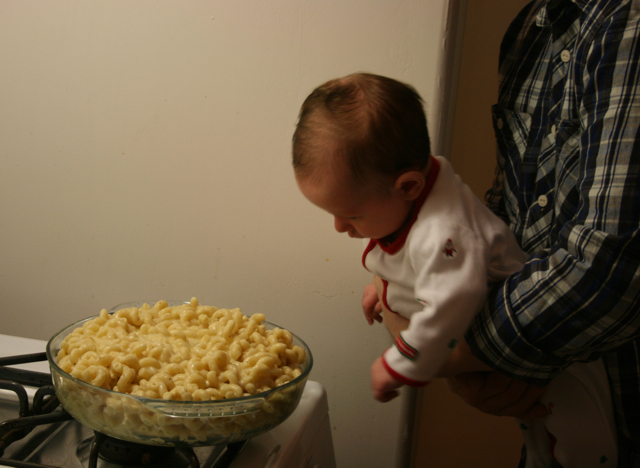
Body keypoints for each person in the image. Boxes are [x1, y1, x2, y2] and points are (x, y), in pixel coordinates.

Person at [292, 72, 618, 467]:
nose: (339, 227)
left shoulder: (443, 233)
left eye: (351, 215)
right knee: (540, 443)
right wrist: (388, 288)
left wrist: (400, 363)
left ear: (409, 187)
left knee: (582, 450)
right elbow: (414, 267)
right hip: (517, 362)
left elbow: (450, 302)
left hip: (567, 368)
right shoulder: (413, 196)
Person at [439, 0, 640, 466]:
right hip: (553, 423)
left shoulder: (628, 21)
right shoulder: (531, 28)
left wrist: (463, 351)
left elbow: (613, 267)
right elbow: (506, 214)